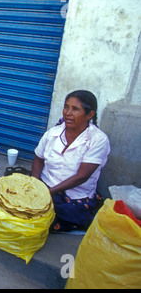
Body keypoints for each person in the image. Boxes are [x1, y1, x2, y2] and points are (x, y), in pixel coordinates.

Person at [32, 90, 110, 232]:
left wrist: (48, 192)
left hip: (74, 195)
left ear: (90, 115)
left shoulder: (98, 140)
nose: (68, 113)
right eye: (66, 107)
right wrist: (34, 182)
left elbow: (81, 176)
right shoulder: (53, 133)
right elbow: (38, 158)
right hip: (45, 185)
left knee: (41, 220)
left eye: (75, 109)